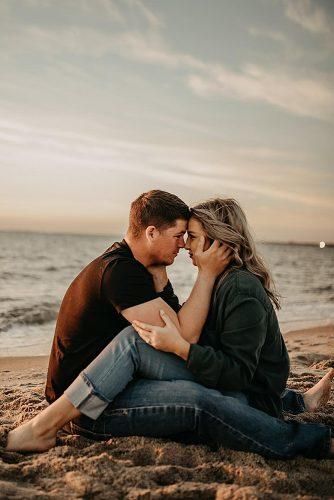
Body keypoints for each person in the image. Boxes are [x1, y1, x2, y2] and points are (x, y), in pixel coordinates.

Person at [6, 198, 334, 458]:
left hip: (113, 388)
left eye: (190, 236)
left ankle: (297, 414)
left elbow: (188, 338)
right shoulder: (123, 273)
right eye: (180, 235)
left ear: (217, 243)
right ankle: (45, 426)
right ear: (151, 232)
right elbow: (186, 335)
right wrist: (200, 282)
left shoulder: (220, 283)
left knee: (183, 378)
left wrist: (175, 294)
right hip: (89, 405)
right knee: (175, 376)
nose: (183, 245)